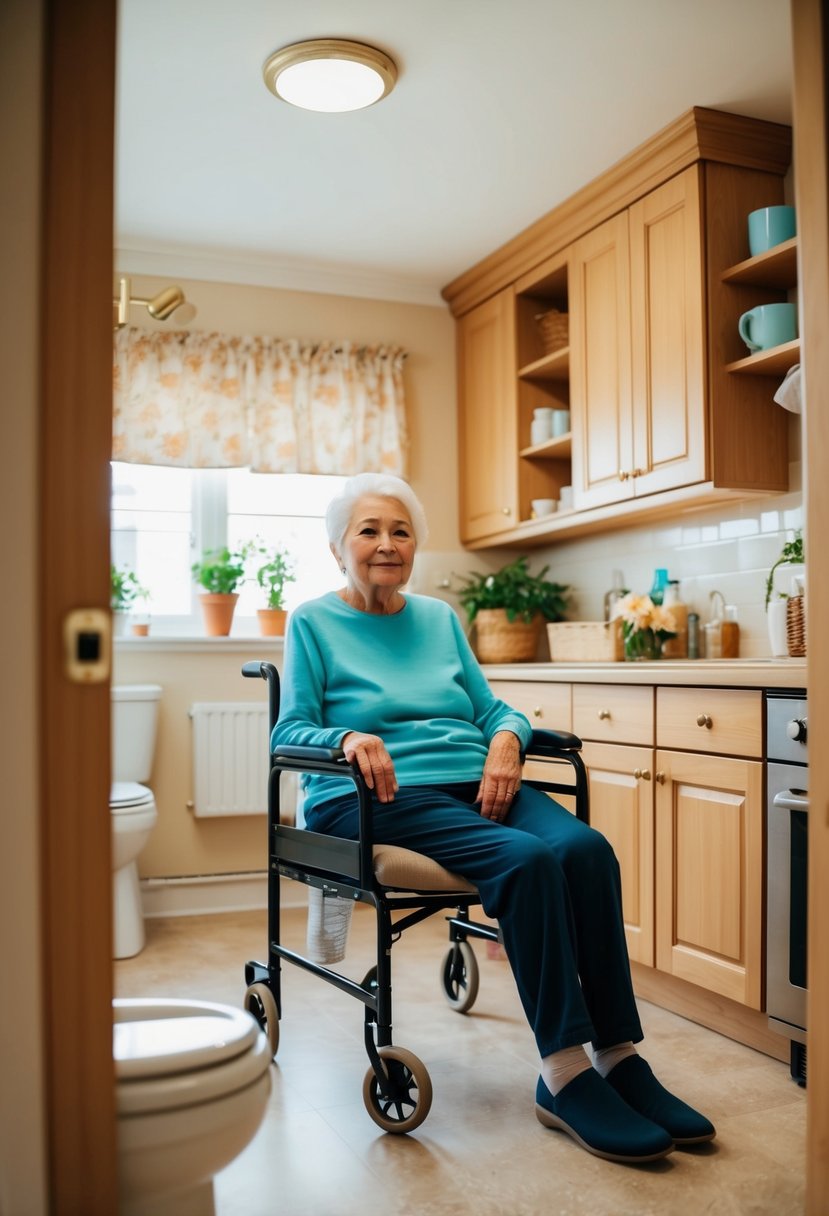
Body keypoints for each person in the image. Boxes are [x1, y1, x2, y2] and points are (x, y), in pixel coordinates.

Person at [274, 472, 715, 1163]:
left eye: (400, 531)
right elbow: (287, 731)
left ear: (415, 546)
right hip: (373, 798)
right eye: (368, 531)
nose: (386, 544)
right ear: (337, 548)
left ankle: (619, 1057)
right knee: (526, 860)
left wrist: (506, 740)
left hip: (470, 781)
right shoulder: (312, 621)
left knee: (585, 849)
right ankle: (564, 1075)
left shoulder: (438, 619)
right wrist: (347, 739)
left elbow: (489, 709)